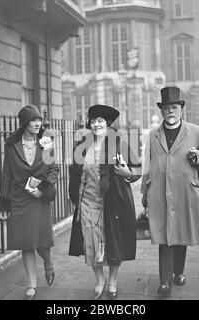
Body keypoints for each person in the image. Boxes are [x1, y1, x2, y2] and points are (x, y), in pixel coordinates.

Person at [141, 87, 199, 296]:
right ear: (161, 111)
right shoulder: (153, 135)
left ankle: (178, 273)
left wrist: (197, 155)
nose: (170, 111)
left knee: (181, 235)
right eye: (166, 108)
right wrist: (145, 193)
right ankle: (165, 282)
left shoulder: (195, 131)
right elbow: (148, 165)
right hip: (159, 193)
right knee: (164, 238)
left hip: (185, 193)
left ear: (181, 109)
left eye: (174, 107)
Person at [68, 105, 141, 300]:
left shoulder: (120, 144)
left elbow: (138, 169)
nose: (96, 124)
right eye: (93, 121)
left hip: (113, 201)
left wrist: (128, 173)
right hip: (88, 202)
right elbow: (74, 173)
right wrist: (75, 196)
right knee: (91, 243)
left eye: (100, 121)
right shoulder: (82, 145)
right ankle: (100, 279)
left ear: (108, 124)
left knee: (114, 243)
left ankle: (113, 281)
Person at [0, 105, 59, 300]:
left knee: (42, 243)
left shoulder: (46, 142)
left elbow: (54, 169)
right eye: (33, 120)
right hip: (20, 199)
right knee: (26, 243)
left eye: (39, 119)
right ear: (24, 123)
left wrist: (43, 190)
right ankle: (32, 284)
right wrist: (4, 201)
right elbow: (7, 174)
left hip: (39, 198)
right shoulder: (11, 144)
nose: (37, 123)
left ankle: (48, 262)